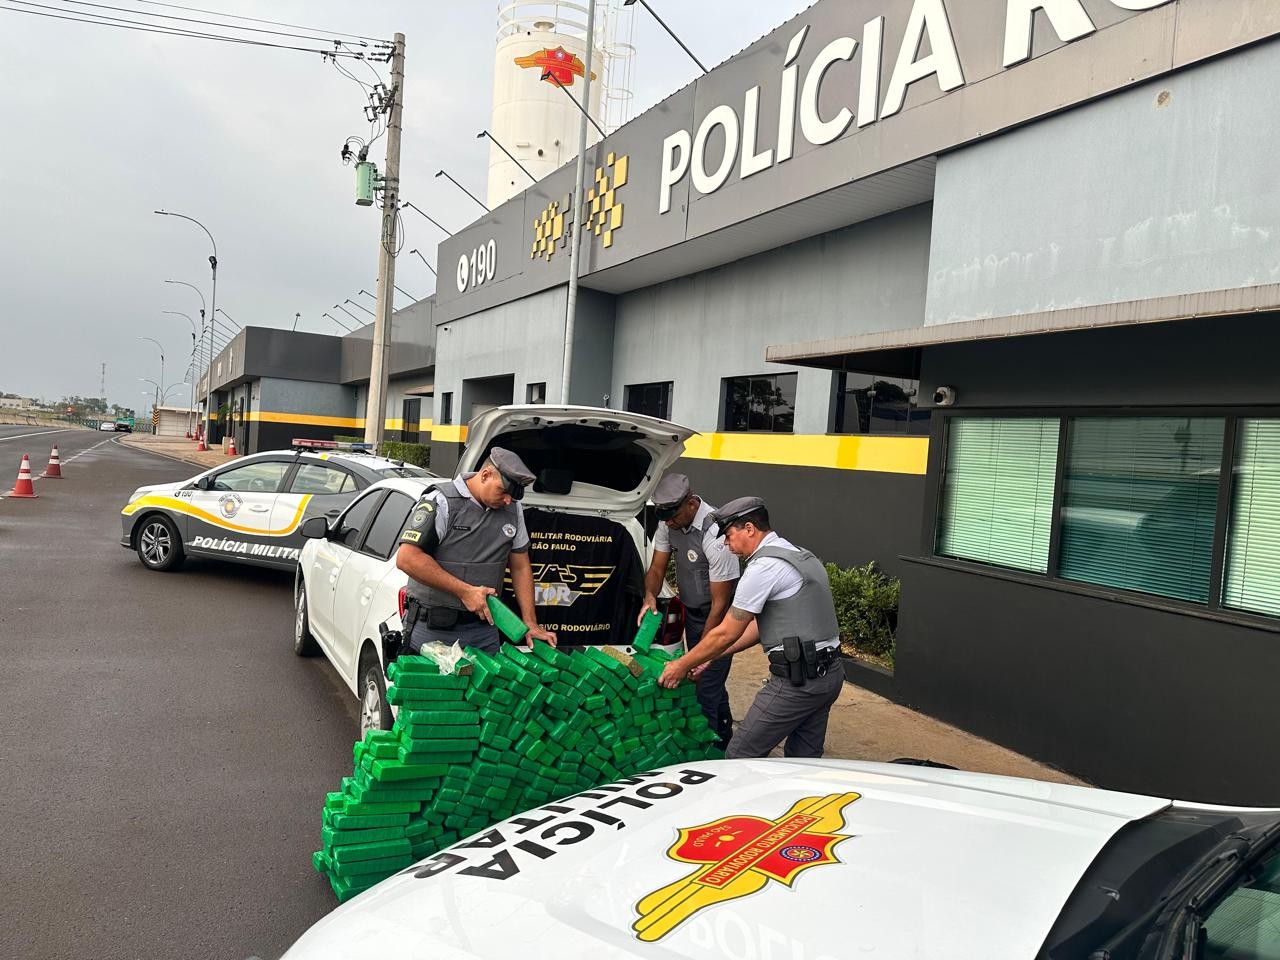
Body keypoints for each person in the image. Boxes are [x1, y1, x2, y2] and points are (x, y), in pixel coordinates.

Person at [658, 497, 843, 759]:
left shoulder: (763, 567)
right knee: (804, 761)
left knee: (739, 756)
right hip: (829, 676)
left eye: (729, 535)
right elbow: (759, 626)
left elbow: (728, 631)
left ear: (749, 528)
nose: (726, 543)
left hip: (797, 682)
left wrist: (682, 664)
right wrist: (710, 657)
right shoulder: (798, 554)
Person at [395, 447, 557, 654]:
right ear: (485, 475)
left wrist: (531, 624)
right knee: (433, 686)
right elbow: (407, 558)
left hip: (485, 630)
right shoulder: (442, 501)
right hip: (434, 630)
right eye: (503, 491)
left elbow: (520, 567)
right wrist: (465, 592)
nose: (508, 500)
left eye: (513, 496)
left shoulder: (512, 509)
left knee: (489, 686)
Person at [640, 473, 740, 748]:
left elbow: (720, 603)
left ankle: (706, 758)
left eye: (672, 515)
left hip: (720, 621)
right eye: (664, 517)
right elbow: (658, 568)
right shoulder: (668, 523)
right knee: (711, 685)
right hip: (693, 615)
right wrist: (650, 595)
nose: (668, 522)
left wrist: (701, 653)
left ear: (692, 505)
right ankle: (725, 741)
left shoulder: (716, 535)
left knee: (704, 689)